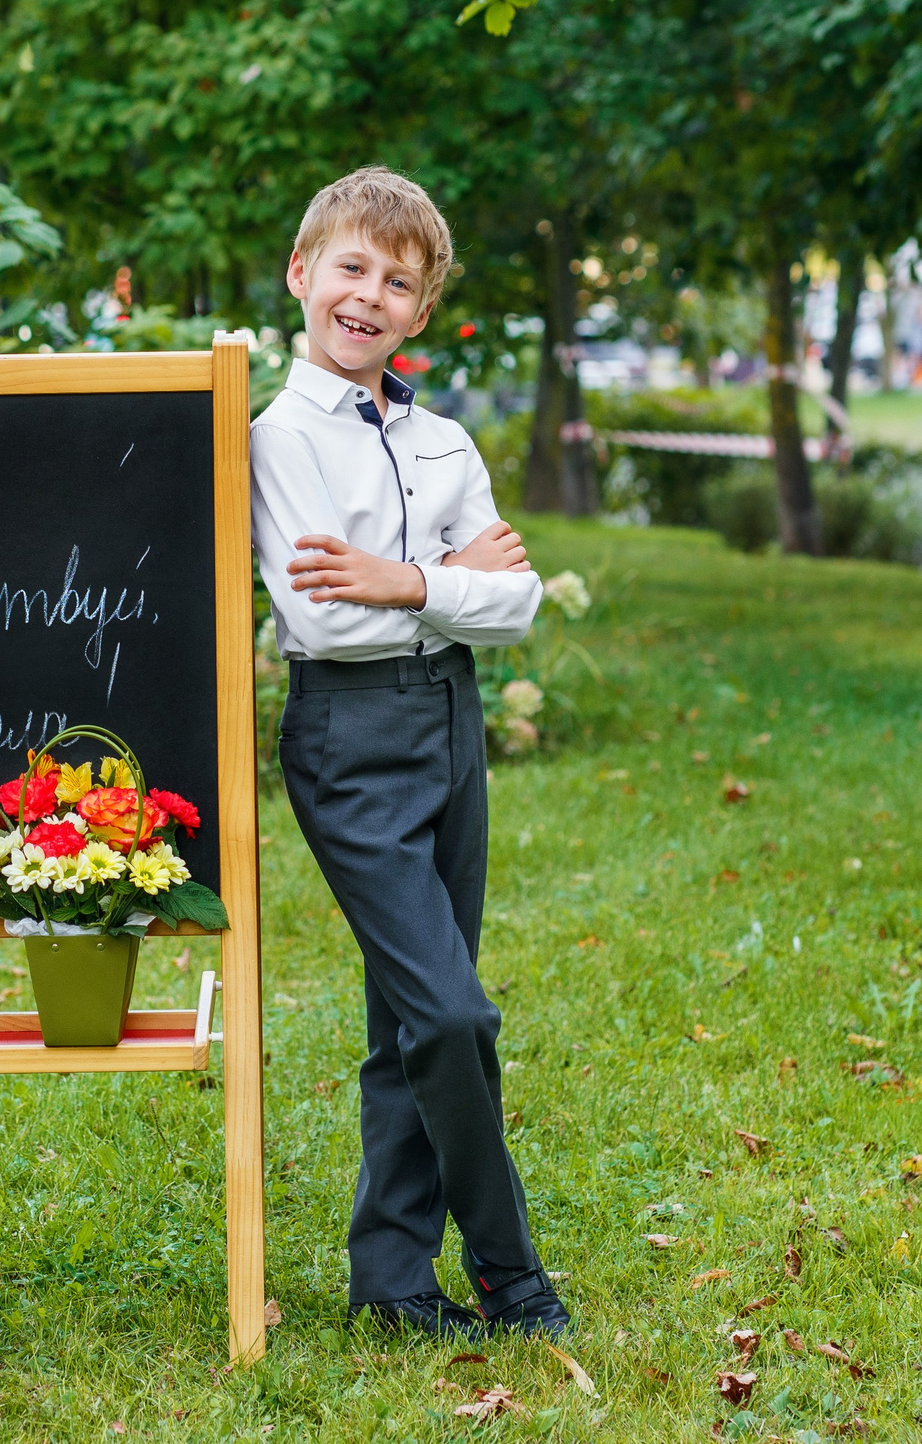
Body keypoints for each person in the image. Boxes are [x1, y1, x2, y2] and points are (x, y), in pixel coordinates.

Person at [248, 166, 569, 1341]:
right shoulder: (275, 440)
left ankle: (389, 1279)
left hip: (451, 725)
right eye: (350, 268)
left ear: (421, 311)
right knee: (451, 1016)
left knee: (406, 1018)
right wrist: (444, 580)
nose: (368, 297)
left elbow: (519, 600)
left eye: (398, 283)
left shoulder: (442, 441)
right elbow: (325, 617)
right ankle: (509, 1270)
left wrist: (402, 580)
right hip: (348, 736)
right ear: (301, 273)